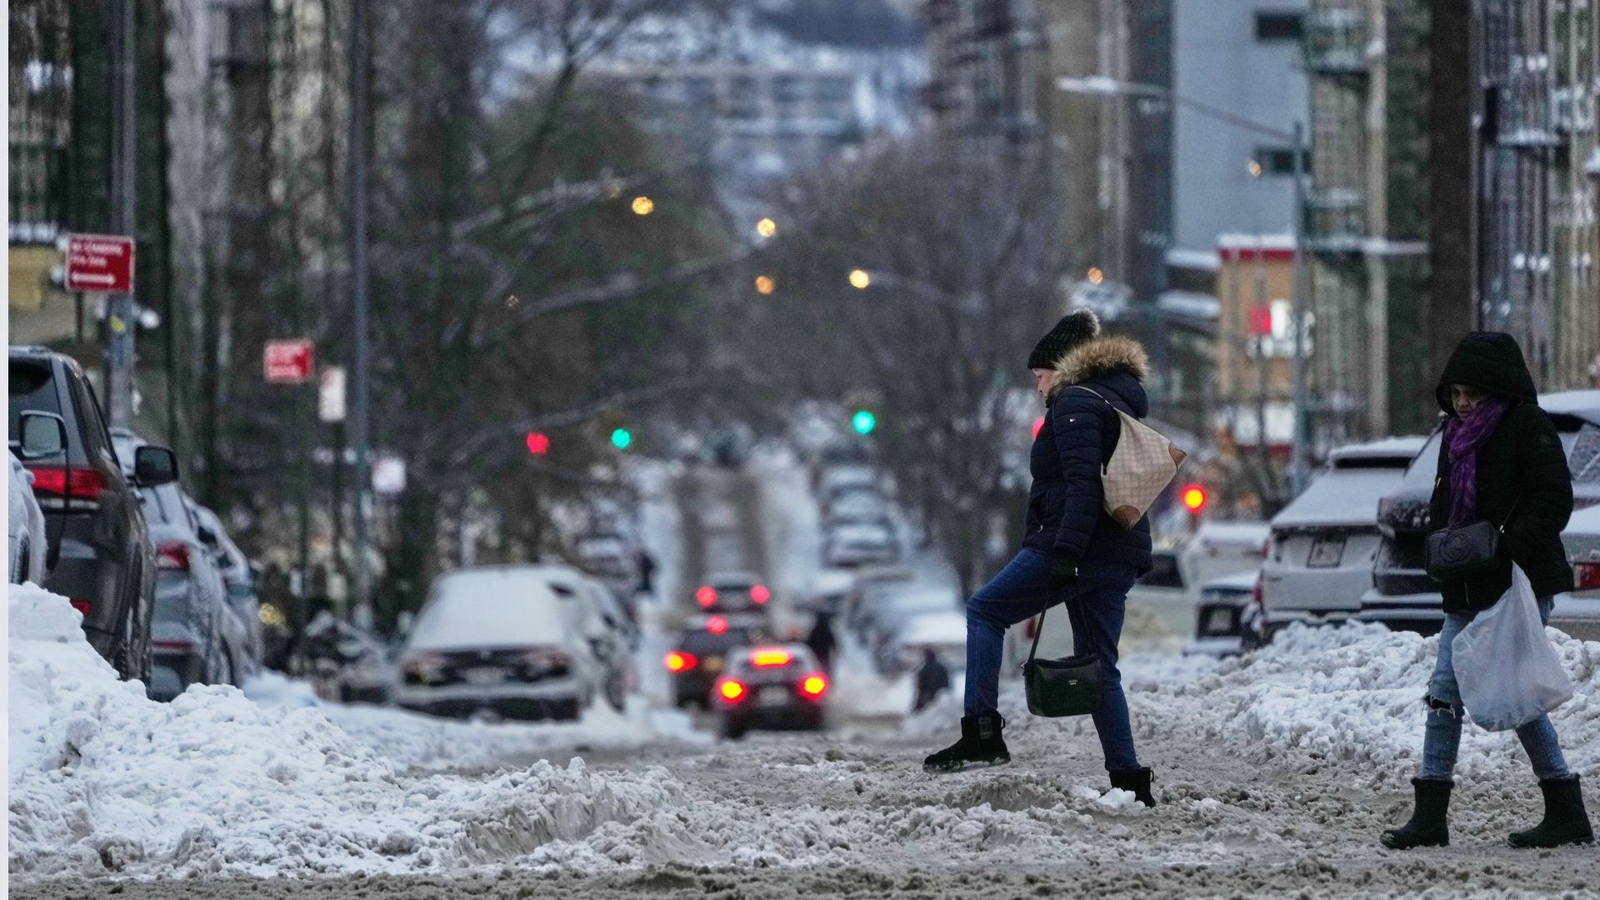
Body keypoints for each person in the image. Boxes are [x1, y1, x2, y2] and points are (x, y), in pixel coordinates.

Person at [922, 309, 1158, 807]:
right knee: (1101, 667)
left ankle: (982, 731)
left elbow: (1081, 485)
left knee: (985, 611)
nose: (1037, 386)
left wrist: (1065, 553)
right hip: (1116, 551)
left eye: (1040, 375)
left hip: (1077, 546)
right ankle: (1129, 781)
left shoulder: (1073, 403)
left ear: (1062, 365)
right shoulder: (1114, 400)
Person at [1381, 331, 1593, 850]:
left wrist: (1505, 546)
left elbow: (1554, 499)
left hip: (1518, 582)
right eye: (1455, 392)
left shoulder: (1527, 425)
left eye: (1471, 391)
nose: (1462, 401)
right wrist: (1447, 553)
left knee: (1511, 692)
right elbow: (1444, 506)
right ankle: (1433, 813)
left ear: (1498, 386)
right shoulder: (1455, 436)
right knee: (1445, 694)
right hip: (1467, 583)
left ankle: (1563, 809)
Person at [914, 647, 951, 713]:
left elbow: (921, 683)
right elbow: (947, 683)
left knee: (922, 713)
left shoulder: (925, 669)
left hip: (927, 696)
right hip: (940, 695)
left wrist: (924, 694)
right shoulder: (942, 667)